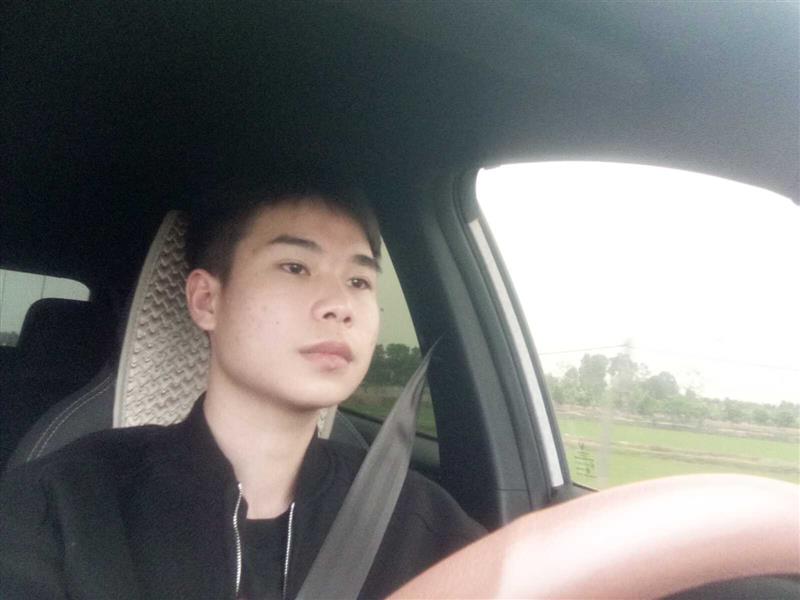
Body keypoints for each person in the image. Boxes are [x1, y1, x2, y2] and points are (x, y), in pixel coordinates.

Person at [0, 175, 485, 599]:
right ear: (206, 300)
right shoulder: (63, 506)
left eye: (359, 281)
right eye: (295, 267)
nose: (340, 305)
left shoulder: (416, 519)